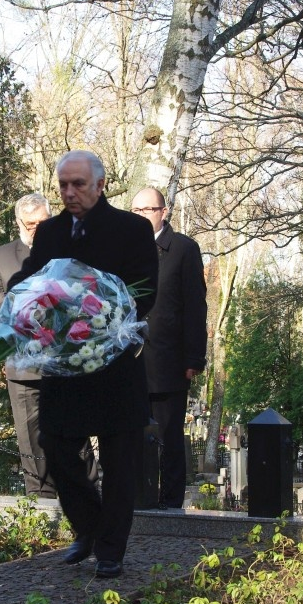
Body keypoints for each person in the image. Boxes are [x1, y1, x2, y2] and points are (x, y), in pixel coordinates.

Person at [9, 150, 158, 578]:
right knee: (54, 446)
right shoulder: (52, 231)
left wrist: (97, 311)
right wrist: (19, 298)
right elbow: (33, 275)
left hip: (113, 364)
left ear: (100, 184)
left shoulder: (132, 229)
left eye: (78, 184)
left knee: (119, 460)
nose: (70, 193)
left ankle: (111, 550)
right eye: (63, 186)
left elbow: (145, 289)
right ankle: (90, 527)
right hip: (65, 365)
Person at [0, 193, 98, 498]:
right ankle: (40, 497)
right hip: (23, 364)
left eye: (41, 223)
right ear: (19, 223)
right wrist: (26, 301)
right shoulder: (2, 256)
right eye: (29, 224)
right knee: (31, 436)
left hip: (67, 360)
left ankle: (85, 490)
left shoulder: (73, 250)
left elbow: (91, 294)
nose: (35, 229)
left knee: (74, 430)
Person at [130, 188, 208, 509]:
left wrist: (194, 357)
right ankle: (138, 499)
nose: (141, 216)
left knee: (169, 439)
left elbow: (195, 307)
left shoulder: (184, 249)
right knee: (133, 436)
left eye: (147, 209)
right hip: (130, 362)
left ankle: (171, 505)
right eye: (135, 211)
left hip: (169, 362)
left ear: (163, 211)